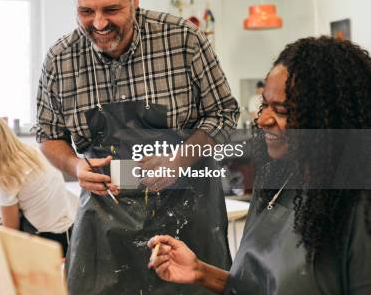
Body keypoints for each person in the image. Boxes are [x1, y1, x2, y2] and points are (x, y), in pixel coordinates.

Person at [36, 0, 239, 293]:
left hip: (187, 208)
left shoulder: (183, 40)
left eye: (111, 9)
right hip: (106, 216)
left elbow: (223, 112)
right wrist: (75, 167)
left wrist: (178, 159)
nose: (99, 23)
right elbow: (48, 134)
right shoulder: (60, 59)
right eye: (86, 11)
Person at [148, 36, 371, 294]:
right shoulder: (277, 183)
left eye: (282, 110)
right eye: (265, 104)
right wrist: (200, 271)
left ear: (326, 119)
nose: (263, 119)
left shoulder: (358, 206)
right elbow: (257, 286)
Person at [0, 112, 75, 254]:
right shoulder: (30, 152)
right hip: (68, 233)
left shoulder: (6, 176)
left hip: (46, 241)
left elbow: (10, 231)